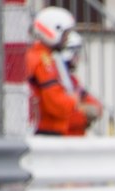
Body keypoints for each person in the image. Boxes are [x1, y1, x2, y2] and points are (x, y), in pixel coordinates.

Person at [26, 6, 82, 136]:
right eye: (65, 35)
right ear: (54, 31)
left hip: (43, 129)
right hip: (47, 131)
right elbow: (56, 104)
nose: (66, 39)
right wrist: (74, 101)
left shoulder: (38, 55)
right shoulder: (44, 61)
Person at [61, 31, 103, 136]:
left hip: (75, 137)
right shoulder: (56, 79)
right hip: (62, 139)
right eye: (76, 53)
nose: (78, 58)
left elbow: (96, 106)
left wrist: (82, 109)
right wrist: (83, 114)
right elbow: (64, 115)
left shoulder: (72, 80)